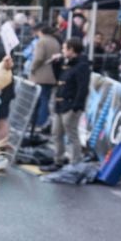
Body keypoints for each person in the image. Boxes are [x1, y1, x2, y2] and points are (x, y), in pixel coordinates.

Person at [49, 38, 91, 169]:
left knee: (71, 134)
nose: (62, 51)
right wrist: (55, 64)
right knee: (56, 132)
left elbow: (82, 88)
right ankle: (58, 160)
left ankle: (76, 162)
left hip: (70, 105)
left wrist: (76, 107)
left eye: (64, 48)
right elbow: (58, 78)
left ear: (71, 50)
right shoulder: (66, 63)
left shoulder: (82, 66)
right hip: (60, 104)